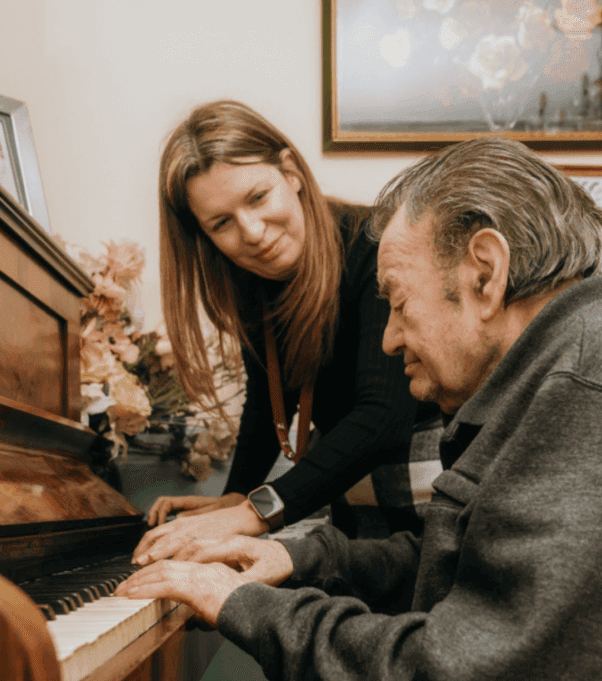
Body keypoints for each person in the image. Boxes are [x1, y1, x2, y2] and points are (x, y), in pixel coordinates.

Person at [117, 136, 602, 681]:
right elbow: (455, 559)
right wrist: (296, 556)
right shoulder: (560, 375)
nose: (386, 340)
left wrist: (241, 606)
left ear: (485, 274)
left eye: (398, 304)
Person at [133, 100, 441, 565]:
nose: (252, 232)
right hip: (357, 508)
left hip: (431, 499)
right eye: (221, 223)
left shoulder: (375, 243)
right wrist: (234, 496)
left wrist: (253, 512)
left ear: (291, 172)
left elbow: (383, 418)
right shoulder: (253, 281)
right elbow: (268, 400)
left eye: (257, 198)